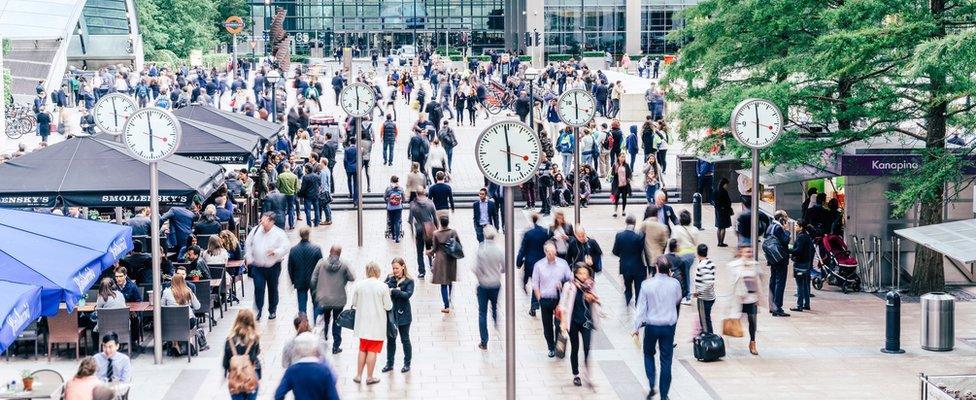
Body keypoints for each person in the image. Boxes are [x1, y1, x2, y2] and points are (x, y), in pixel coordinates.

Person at [633, 256, 682, 400]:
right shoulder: (675, 284)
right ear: (669, 270)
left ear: (656, 268)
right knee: (666, 360)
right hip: (668, 326)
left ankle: (652, 382)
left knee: (648, 354)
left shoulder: (647, 284)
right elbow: (678, 299)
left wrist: (636, 327)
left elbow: (641, 308)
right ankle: (664, 395)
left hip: (652, 325)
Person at [350, 262, 393, 385]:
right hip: (376, 324)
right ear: (378, 271)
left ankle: (358, 375)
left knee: (363, 348)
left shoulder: (360, 285)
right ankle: (369, 377)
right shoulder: (383, 287)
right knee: (372, 350)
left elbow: (355, 302)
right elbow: (388, 306)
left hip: (362, 323)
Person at [558, 263, 600, 387]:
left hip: (587, 322)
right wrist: (563, 322)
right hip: (574, 322)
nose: (582, 276)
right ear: (575, 273)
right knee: (575, 348)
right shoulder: (569, 286)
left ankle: (587, 374)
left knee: (587, 348)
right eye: (580, 273)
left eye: (585, 274)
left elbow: (598, 301)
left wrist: (593, 298)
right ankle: (576, 374)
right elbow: (562, 304)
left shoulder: (591, 286)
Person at [244, 212, 290, 321]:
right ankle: (258, 310)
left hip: (273, 266)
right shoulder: (255, 230)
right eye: (261, 220)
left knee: (272, 288)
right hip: (258, 266)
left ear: (271, 221)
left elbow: (286, 246)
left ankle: (272, 310)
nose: (262, 222)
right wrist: (249, 257)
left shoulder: (279, 233)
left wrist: (276, 252)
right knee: (258, 288)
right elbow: (248, 244)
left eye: (264, 220)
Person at [311, 245, 356, 354]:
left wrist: (317, 292)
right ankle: (336, 346)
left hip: (323, 299)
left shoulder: (321, 263)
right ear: (340, 254)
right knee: (337, 322)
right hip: (338, 299)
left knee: (325, 319)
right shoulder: (344, 265)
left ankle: (325, 336)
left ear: (330, 251)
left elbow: (313, 280)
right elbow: (352, 277)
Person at [532, 242, 573, 358]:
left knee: (559, 324)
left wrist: (563, 283)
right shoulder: (539, 265)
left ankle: (557, 345)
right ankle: (550, 346)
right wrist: (539, 298)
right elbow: (535, 284)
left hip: (559, 299)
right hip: (545, 299)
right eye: (549, 252)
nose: (551, 254)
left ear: (556, 250)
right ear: (545, 252)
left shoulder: (563, 264)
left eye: (553, 251)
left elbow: (570, 279)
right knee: (547, 326)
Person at [273, 337, 340, 400]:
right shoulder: (324, 370)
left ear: (298, 351)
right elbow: (334, 397)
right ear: (313, 349)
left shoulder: (292, 370)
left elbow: (278, 395)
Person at [726, 245, 763, 355]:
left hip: (752, 298)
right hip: (739, 298)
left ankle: (752, 342)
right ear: (741, 252)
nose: (749, 254)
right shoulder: (734, 265)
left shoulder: (755, 265)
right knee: (735, 319)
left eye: (750, 252)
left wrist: (759, 297)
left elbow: (759, 281)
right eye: (747, 252)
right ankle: (728, 341)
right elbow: (731, 283)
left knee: (752, 320)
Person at [473, 226, 504, 349]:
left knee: (482, 312)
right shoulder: (499, 250)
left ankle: (484, 341)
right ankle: (496, 321)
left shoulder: (481, 249)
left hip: (483, 284)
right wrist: (498, 272)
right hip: (496, 283)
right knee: (495, 306)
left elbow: (475, 268)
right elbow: (505, 266)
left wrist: (481, 277)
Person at [382, 257, 414, 373]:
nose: (395, 270)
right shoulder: (390, 278)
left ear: (403, 266)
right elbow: (383, 289)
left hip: (404, 313)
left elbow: (407, 295)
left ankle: (407, 364)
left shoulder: (409, 281)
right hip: (391, 313)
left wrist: (395, 291)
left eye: (397, 268)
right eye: (393, 268)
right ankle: (389, 363)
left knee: (405, 339)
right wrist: (390, 285)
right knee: (391, 339)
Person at [223, 310, 262, 400]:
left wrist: (227, 371)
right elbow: (255, 356)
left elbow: (225, 362)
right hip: (250, 377)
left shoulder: (229, 340)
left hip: (235, 378)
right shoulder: (254, 339)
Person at [517, 213, 549, 316]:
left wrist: (518, 262)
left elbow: (523, 249)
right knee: (537, 283)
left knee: (530, 279)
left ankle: (525, 286)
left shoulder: (528, 233)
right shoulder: (544, 232)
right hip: (541, 262)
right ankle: (534, 304)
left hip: (530, 262)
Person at [428, 215, 460, 313]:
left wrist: (429, 252)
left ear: (440, 223)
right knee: (450, 279)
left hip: (441, 259)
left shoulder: (436, 233)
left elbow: (435, 248)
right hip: (451, 258)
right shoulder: (453, 232)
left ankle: (446, 305)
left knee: (443, 283)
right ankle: (449, 297)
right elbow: (458, 243)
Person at [161, 274, 201, 354]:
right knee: (186, 321)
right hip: (187, 322)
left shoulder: (166, 292)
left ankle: (175, 344)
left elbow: (161, 306)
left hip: (171, 324)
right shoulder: (188, 291)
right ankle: (189, 344)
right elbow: (197, 306)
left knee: (173, 320)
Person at [287, 227, 322, 316]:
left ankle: (303, 324)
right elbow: (321, 266)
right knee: (316, 304)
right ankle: (316, 324)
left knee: (302, 306)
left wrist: (293, 280)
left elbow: (290, 267)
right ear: (309, 235)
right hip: (314, 280)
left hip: (300, 281)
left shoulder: (294, 250)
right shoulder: (316, 249)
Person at [613, 215, 647, 307]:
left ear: (626, 223)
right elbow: (642, 250)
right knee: (638, 287)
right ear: (635, 223)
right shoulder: (639, 236)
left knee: (627, 286)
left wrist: (623, 255)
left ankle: (628, 300)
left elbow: (615, 251)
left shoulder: (619, 235)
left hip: (625, 266)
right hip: (638, 266)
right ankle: (638, 305)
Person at [765, 210, 792, 317]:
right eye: (786, 217)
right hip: (780, 259)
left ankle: (772, 305)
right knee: (780, 282)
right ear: (781, 219)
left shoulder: (770, 226)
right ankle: (777, 307)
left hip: (772, 259)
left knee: (773, 281)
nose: (787, 219)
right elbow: (785, 241)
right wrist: (787, 231)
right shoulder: (779, 228)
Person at [671, 210, 701, 304]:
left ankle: (687, 296)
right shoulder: (695, 229)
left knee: (684, 275)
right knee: (685, 274)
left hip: (680, 255)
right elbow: (696, 243)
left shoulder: (676, 229)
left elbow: (673, 242)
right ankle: (684, 295)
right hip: (691, 256)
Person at [408, 190, 437, 279]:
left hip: (419, 230)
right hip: (429, 229)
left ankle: (421, 271)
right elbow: (435, 218)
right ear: (424, 194)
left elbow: (410, 220)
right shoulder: (430, 203)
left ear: (417, 194)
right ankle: (432, 265)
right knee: (430, 249)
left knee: (419, 252)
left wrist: (412, 232)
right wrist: (437, 230)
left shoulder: (413, 205)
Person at [790, 221, 816, 313]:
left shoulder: (801, 237)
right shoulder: (807, 236)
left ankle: (799, 305)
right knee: (805, 284)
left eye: (797, 225)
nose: (795, 227)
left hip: (800, 264)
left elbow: (798, 250)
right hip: (806, 263)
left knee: (800, 284)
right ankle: (807, 304)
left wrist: (790, 250)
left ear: (801, 227)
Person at [693, 244, 717, 333]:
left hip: (704, 298)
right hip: (710, 296)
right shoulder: (710, 262)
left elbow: (708, 282)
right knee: (706, 318)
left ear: (697, 253)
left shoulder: (702, 265)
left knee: (705, 321)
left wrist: (698, 292)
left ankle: (708, 338)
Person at [277, 163, 299, 229]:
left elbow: (278, 186)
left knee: (282, 209)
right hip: (291, 194)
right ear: (289, 167)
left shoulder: (280, 176)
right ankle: (291, 224)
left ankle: (282, 225)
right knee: (291, 209)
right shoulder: (294, 176)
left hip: (282, 194)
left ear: (284, 168)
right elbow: (296, 187)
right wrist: (294, 192)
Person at [611, 153, 632, 218]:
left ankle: (623, 210)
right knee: (616, 197)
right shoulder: (615, 165)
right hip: (617, 184)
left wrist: (629, 179)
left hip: (624, 184)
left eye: (624, 157)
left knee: (624, 198)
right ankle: (615, 211)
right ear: (618, 157)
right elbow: (612, 174)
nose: (623, 158)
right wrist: (616, 170)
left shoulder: (626, 165)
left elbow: (629, 173)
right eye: (622, 157)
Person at [385, 176, 406, 242]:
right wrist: (401, 201)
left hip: (390, 208)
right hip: (398, 207)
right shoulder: (400, 189)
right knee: (397, 222)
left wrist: (388, 202)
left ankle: (393, 236)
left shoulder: (388, 189)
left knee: (391, 221)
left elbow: (385, 197)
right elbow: (404, 199)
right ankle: (397, 238)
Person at [714, 178, 734, 247]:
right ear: (724, 184)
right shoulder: (724, 192)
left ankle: (719, 242)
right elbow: (727, 202)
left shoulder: (716, 190)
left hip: (718, 211)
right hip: (724, 211)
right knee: (723, 228)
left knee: (719, 227)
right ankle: (721, 242)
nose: (727, 186)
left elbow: (714, 202)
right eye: (727, 185)